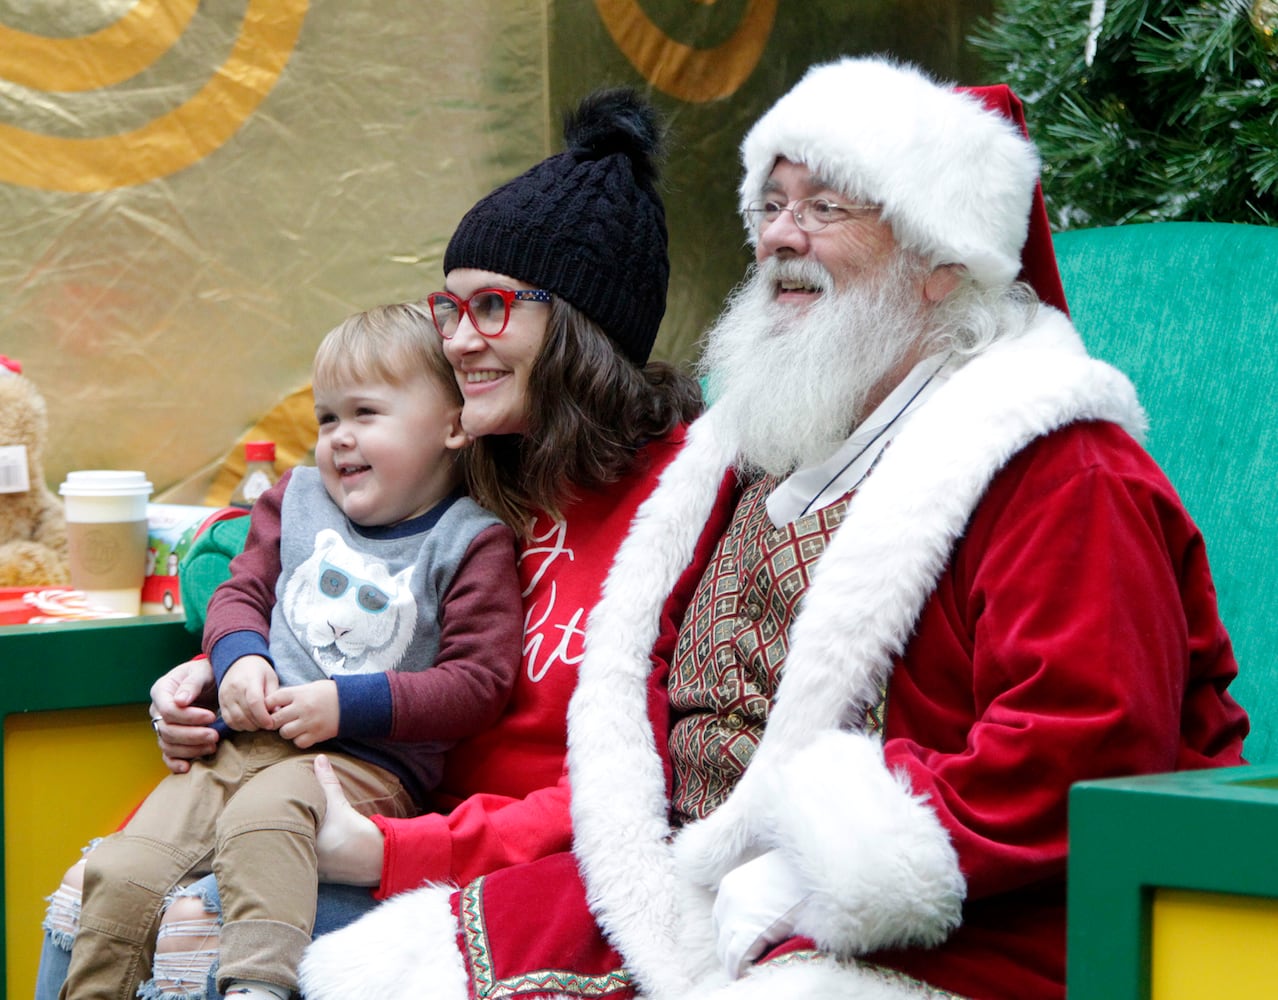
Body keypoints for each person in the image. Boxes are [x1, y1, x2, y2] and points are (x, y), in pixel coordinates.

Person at [297, 56, 1249, 1000]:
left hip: (964, 926)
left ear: (938, 262)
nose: (783, 237)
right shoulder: (750, 456)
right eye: (772, 205)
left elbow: (1086, 750)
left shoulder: (1062, 472)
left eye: (827, 207)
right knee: (372, 973)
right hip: (680, 889)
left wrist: (814, 867)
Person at [35, 87, 713, 1000]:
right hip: (330, 791)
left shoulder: (689, 503)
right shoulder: (488, 458)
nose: (458, 341)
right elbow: (272, 550)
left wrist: (389, 845)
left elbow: (658, 795)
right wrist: (217, 662)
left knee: (199, 946)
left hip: (502, 863)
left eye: (493, 308)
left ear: (581, 327)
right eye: (450, 307)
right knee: (90, 903)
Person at [60, 303, 524, 1000]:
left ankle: (256, 985)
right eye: (327, 418)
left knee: (267, 813)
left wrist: (347, 705)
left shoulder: (468, 541)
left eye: (367, 414)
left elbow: (478, 681)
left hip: (362, 766)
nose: (339, 438)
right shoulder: (298, 498)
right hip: (241, 744)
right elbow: (239, 593)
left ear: (453, 426)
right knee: (123, 865)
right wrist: (240, 658)